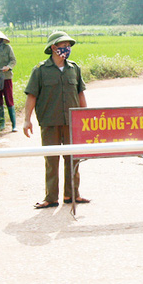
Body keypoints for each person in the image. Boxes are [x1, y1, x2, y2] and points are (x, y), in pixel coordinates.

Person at [24, 31, 90, 209]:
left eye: (69, 46)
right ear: (53, 48)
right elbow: (31, 95)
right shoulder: (40, 70)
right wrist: (26, 120)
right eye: (63, 46)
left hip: (72, 122)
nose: (67, 49)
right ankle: (51, 198)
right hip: (49, 122)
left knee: (73, 159)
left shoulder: (74, 69)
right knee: (51, 161)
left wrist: (87, 118)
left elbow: (80, 93)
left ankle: (72, 195)